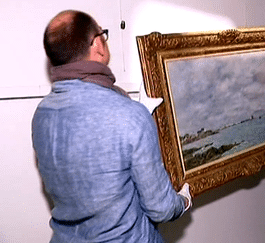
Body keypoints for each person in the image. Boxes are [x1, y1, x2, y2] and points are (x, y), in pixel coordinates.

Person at [32, 10, 191, 243]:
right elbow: (162, 209)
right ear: (98, 45)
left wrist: (136, 115)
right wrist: (184, 199)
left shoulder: (41, 115)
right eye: (103, 34)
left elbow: (87, 163)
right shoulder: (128, 117)